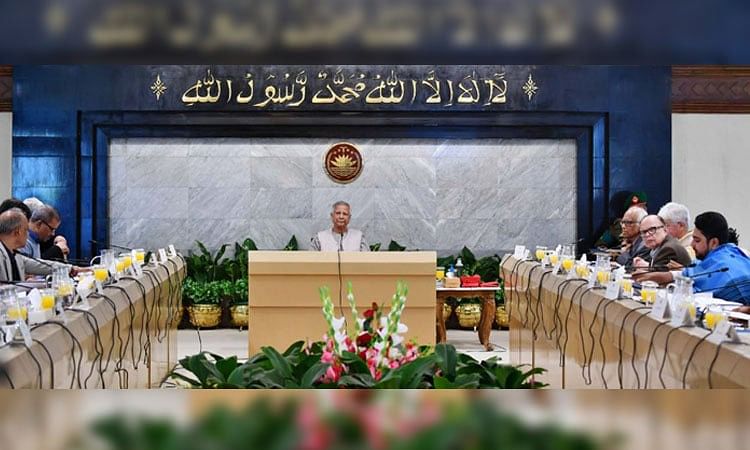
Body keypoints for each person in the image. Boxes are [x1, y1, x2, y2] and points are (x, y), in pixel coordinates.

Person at [637, 212, 750, 304]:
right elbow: (688, 273)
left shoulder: (724, 266)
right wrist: (649, 278)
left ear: (714, 242)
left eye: (697, 240)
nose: (692, 245)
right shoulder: (724, 253)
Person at [0, 209, 71, 282]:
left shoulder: (15, 254)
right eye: (26, 230)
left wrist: (70, 269)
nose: (28, 234)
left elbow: (38, 265)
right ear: (17, 232)